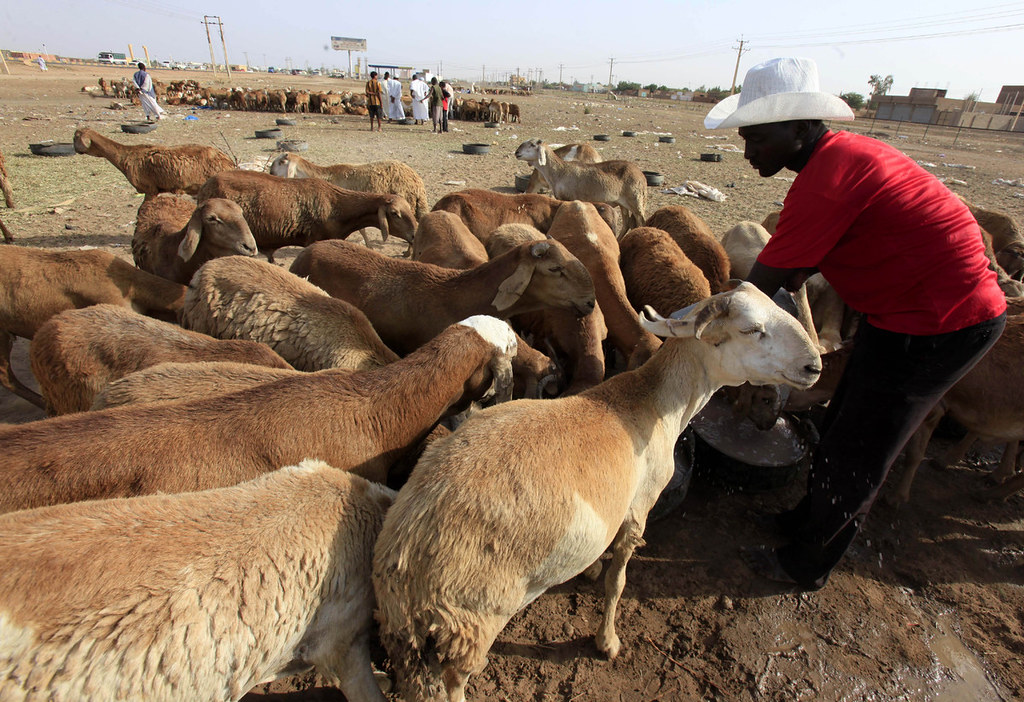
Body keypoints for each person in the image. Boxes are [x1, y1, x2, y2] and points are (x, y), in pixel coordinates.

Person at [704, 57, 1006, 591]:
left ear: (800, 128)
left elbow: (758, 289)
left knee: (861, 444)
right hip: (902, 313)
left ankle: (805, 565)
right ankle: (805, 522)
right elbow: (793, 271)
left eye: (758, 139)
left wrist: (694, 336)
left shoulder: (828, 179)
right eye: (745, 139)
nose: (748, 153)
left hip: (944, 321)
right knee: (842, 416)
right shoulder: (837, 162)